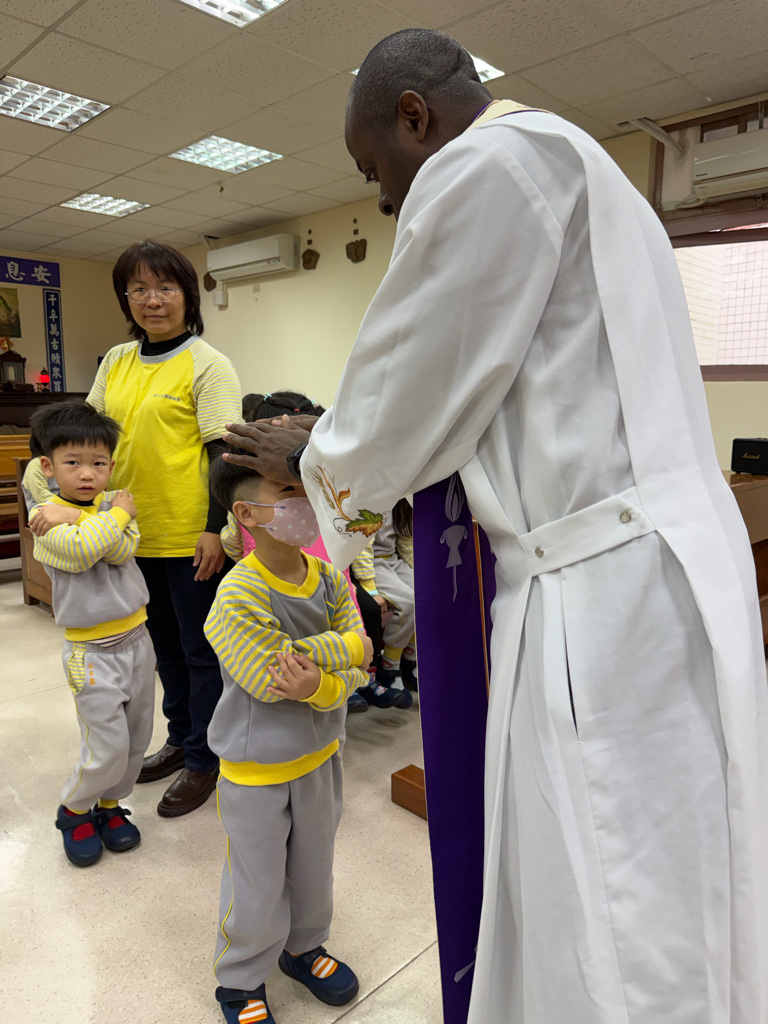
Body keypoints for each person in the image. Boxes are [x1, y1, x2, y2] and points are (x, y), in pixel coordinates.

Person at [222, 29, 768, 1024]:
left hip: (602, 585)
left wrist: (314, 456)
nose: (383, 200)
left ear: (415, 117)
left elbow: (410, 382)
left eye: (373, 170)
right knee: (679, 855)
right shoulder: (582, 162)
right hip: (656, 555)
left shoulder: (485, 168)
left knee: (612, 883)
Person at [204, 442, 372, 1024]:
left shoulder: (328, 576)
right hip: (256, 770)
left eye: (306, 488)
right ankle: (240, 979)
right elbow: (272, 679)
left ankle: (303, 948)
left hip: (321, 755)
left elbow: (362, 663)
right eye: (287, 491)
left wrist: (321, 679)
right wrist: (345, 653)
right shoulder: (236, 596)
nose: (304, 502)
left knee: (314, 868)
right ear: (246, 514)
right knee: (256, 881)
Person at [88, 240, 242, 818]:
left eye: (165, 288)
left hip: (189, 536)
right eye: (139, 289)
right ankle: (180, 739)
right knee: (164, 651)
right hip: (130, 536)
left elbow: (224, 455)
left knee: (202, 652)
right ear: (125, 299)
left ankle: (206, 758)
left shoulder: (208, 363)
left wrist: (214, 529)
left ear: (187, 296)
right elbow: (92, 433)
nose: (152, 300)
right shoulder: (116, 360)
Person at [27, 400, 155, 867]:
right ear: (48, 467)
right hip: (91, 652)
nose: (87, 474)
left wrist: (85, 517)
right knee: (107, 745)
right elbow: (83, 552)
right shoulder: (45, 518)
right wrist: (103, 517)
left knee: (137, 738)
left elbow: (120, 551)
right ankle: (76, 809)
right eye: (73, 462)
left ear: (111, 466)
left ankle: (109, 805)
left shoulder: (108, 506)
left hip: (137, 639)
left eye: (98, 463)